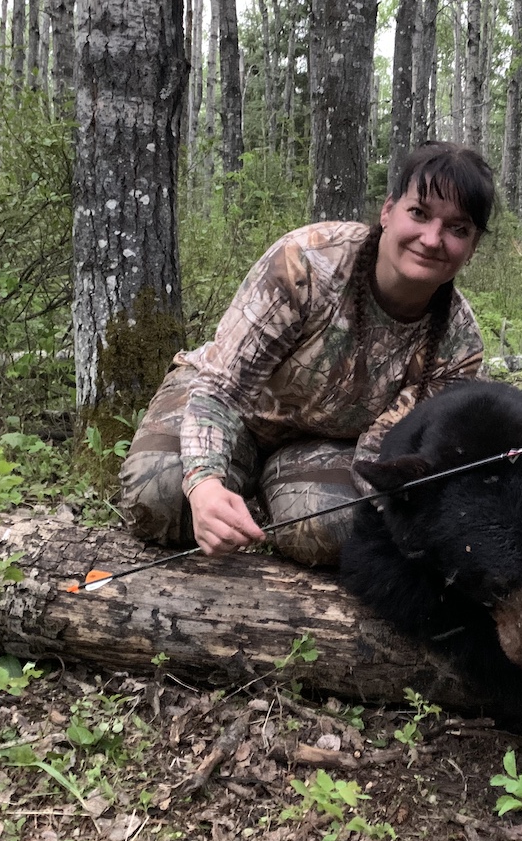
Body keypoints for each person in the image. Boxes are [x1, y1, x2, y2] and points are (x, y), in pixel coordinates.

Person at [118, 142, 495, 566]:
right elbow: (222, 389)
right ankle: (237, 490)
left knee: (335, 527)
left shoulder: (457, 344)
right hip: (232, 405)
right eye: (419, 213)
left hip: (319, 441)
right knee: (162, 492)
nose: (432, 239)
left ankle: (266, 495)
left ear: (473, 245)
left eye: (457, 229)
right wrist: (204, 483)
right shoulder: (308, 262)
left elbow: (381, 450)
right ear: (388, 211)